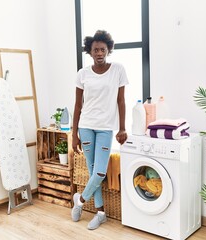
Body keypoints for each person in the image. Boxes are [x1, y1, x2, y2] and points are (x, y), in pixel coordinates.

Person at [71, 30, 128, 230]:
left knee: (100, 173)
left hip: (105, 129)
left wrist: (122, 128)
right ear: (90, 52)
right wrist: (74, 136)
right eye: (95, 50)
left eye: (103, 49)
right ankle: (101, 213)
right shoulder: (83, 74)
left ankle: (79, 200)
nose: (99, 53)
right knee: (93, 168)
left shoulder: (118, 70)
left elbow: (121, 101)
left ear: (108, 50)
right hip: (85, 126)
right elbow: (77, 106)